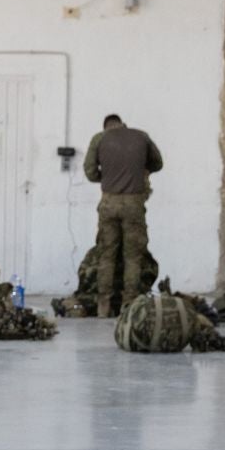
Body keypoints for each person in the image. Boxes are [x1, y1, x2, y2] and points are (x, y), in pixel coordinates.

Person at [83, 113, 164, 317]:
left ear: (106, 127)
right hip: (134, 202)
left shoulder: (99, 139)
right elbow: (157, 164)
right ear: (122, 123)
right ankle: (128, 305)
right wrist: (138, 171)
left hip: (109, 202)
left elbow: (90, 171)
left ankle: (103, 306)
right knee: (133, 256)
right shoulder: (141, 136)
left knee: (106, 255)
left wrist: (107, 177)